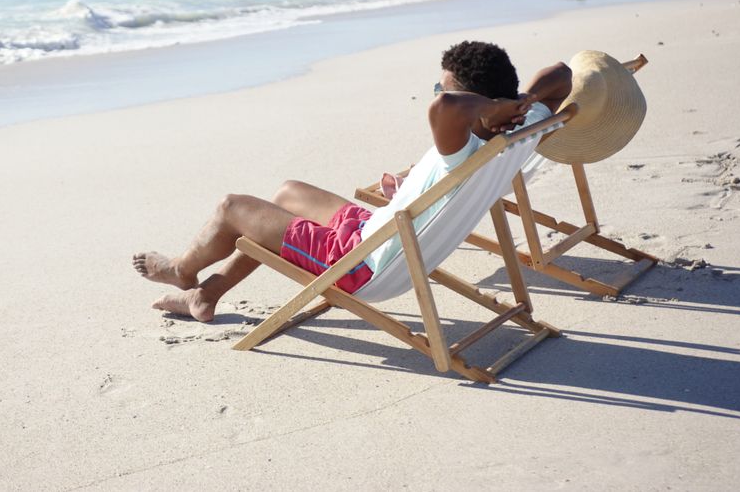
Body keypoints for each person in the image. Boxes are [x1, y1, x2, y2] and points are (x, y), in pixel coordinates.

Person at [132, 41, 572, 322]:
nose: (437, 95)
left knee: (232, 207)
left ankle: (181, 271)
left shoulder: (461, 142)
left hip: (363, 265)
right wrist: (524, 99)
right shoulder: (523, 127)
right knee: (287, 194)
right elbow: (562, 74)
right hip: (382, 233)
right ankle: (207, 295)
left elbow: (447, 109)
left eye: (441, 88)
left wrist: (486, 104)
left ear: (476, 103)